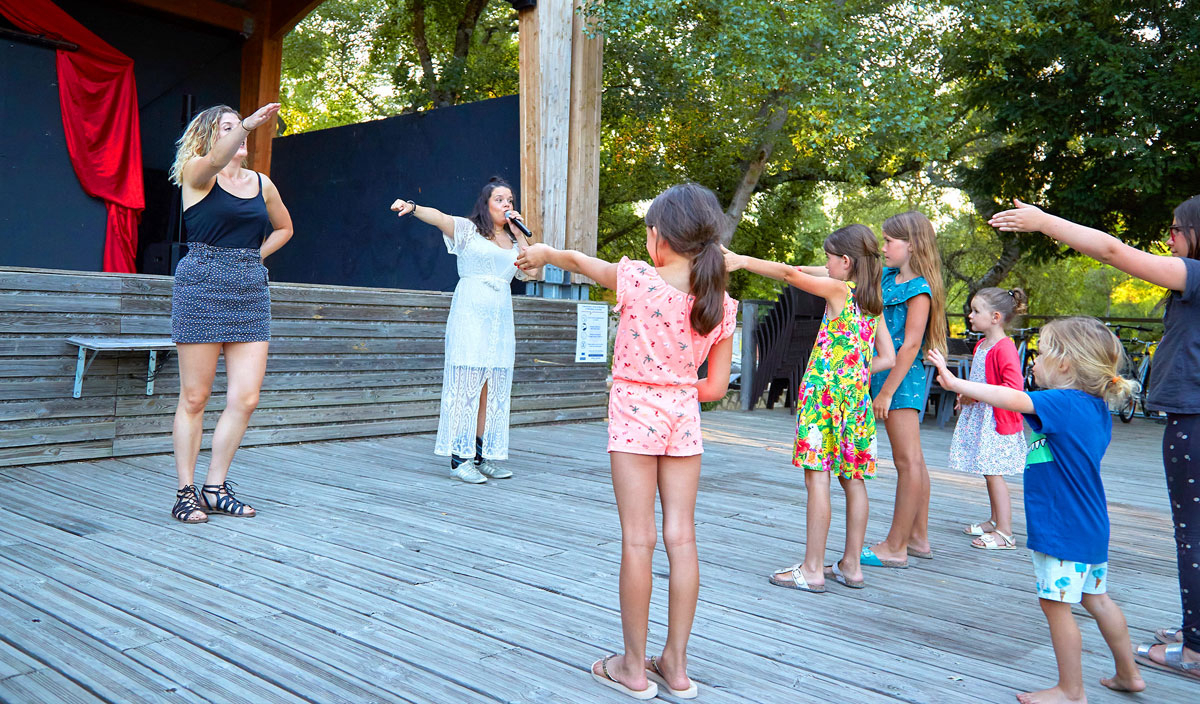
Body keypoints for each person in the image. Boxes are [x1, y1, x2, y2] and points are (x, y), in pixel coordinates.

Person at [515, 183, 736, 700]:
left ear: (658, 238)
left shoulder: (636, 279)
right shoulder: (719, 303)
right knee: (682, 538)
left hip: (633, 418)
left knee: (639, 540)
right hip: (684, 420)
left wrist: (543, 253)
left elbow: (577, 261)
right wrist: (676, 388)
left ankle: (634, 668)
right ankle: (676, 669)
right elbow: (717, 388)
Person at [991, 196, 1200, 682]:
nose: (1168, 239)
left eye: (1176, 228)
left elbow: (1112, 251)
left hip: (1193, 421)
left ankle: (1195, 649)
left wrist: (1043, 222)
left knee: (1193, 537)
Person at [930, 318, 1146, 703]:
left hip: (1062, 527)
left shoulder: (1063, 403)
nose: (1033, 361)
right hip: (1090, 524)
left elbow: (1010, 397)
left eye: (1042, 354)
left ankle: (1071, 690)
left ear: (1065, 364)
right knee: (1097, 599)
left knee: (1056, 604)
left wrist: (955, 382)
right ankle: (1128, 674)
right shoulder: (1094, 407)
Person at [723, 225, 895, 592]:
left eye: (830, 258)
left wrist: (742, 261)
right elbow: (889, 357)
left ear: (846, 262)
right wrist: (856, 372)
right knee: (855, 480)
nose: (825, 264)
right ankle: (851, 566)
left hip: (823, 399)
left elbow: (790, 274)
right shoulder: (873, 299)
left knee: (818, 479)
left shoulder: (838, 290)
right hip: (857, 401)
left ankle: (813, 569)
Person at [167, 103, 293, 524]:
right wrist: (248, 124)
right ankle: (186, 491)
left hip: (249, 289)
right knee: (195, 396)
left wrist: (255, 256)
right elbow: (219, 157)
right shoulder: (197, 173)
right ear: (211, 136)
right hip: (201, 283)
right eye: (228, 127)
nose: (238, 133)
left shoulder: (262, 184)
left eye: (238, 127)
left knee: (246, 397)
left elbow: (284, 228)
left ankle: (215, 487)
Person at [390, 179, 537, 483]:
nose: (507, 205)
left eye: (510, 200)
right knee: (468, 384)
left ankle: (483, 456)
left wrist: (520, 235)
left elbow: (533, 271)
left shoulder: (512, 241)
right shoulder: (469, 230)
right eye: (500, 200)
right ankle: (460, 459)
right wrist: (413, 207)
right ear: (485, 205)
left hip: (499, 319)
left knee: (491, 387)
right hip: (470, 313)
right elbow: (440, 217)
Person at [863, 210, 947, 567]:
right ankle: (918, 538)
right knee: (915, 461)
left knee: (907, 462)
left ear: (911, 245)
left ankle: (895, 546)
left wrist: (885, 393)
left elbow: (911, 346)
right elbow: (827, 273)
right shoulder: (886, 278)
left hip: (901, 382)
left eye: (888, 241)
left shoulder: (920, 290)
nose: (883, 247)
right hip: (886, 377)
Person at [951, 287, 1029, 551]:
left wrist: (975, 397)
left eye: (976, 311)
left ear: (995, 317)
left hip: (997, 421)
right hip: (983, 419)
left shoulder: (1003, 348)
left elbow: (1013, 389)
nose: (970, 316)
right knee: (988, 470)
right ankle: (995, 520)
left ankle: (1005, 533)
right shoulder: (983, 345)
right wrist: (965, 396)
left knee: (994, 473)